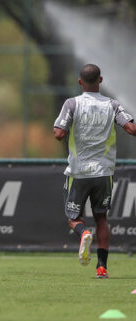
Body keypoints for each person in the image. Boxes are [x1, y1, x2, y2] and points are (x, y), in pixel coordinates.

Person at [53, 64, 135, 279]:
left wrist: (68, 125)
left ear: (80, 82)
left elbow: (59, 134)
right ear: (100, 80)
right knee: (102, 219)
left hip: (79, 172)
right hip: (104, 172)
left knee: (73, 218)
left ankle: (83, 233)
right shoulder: (112, 105)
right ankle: (101, 267)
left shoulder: (72, 104)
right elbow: (131, 128)